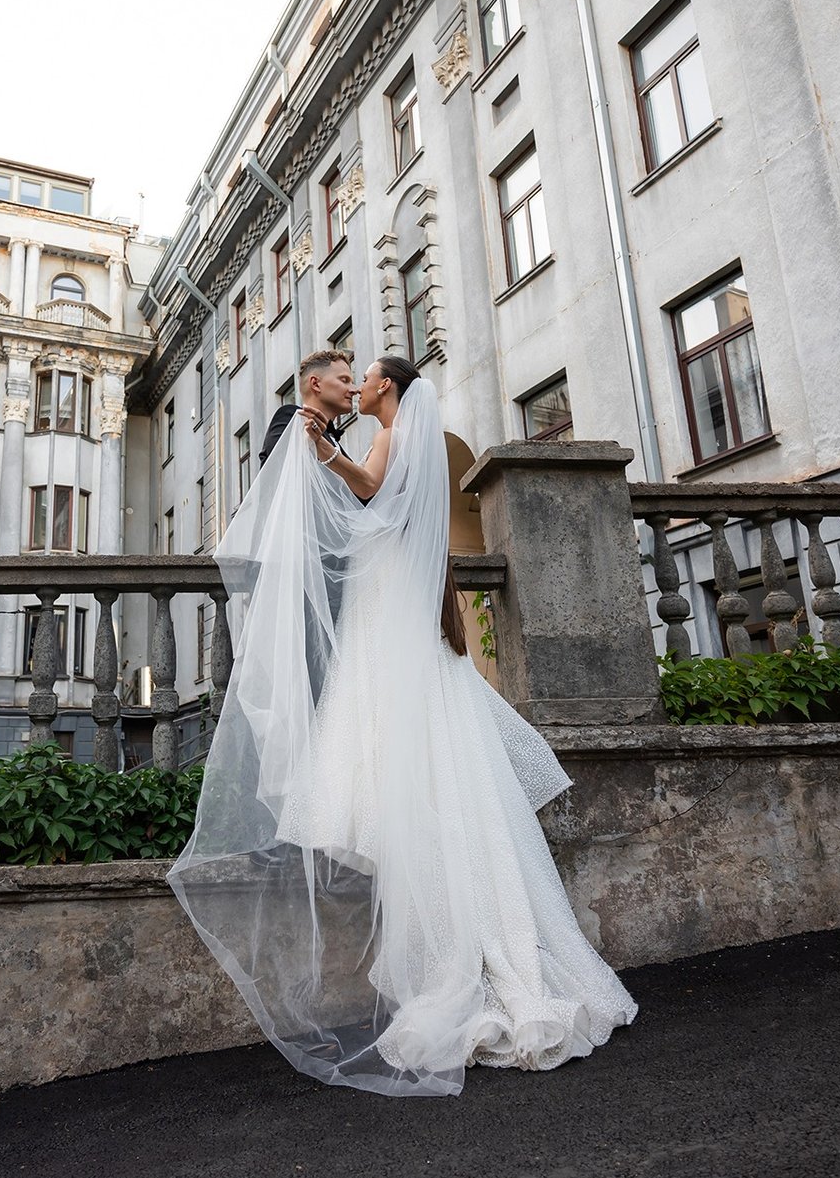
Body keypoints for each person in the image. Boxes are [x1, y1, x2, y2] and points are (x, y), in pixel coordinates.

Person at [168, 354, 637, 1098]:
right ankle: (485, 932)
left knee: (397, 738)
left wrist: (328, 452)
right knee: (434, 748)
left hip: (382, 605)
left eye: (365, 375)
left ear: (386, 388)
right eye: (345, 374)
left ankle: (465, 954)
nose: (357, 383)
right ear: (320, 381)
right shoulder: (363, 432)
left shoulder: (379, 440)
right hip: (386, 602)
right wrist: (321, 448)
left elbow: (369, 492)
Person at [259, 349, 356, 470]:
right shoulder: (291, 418)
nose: (354, 389)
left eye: (352, 382)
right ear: (315, 384)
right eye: (344, 380)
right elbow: (280, 469)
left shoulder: (339, 449)